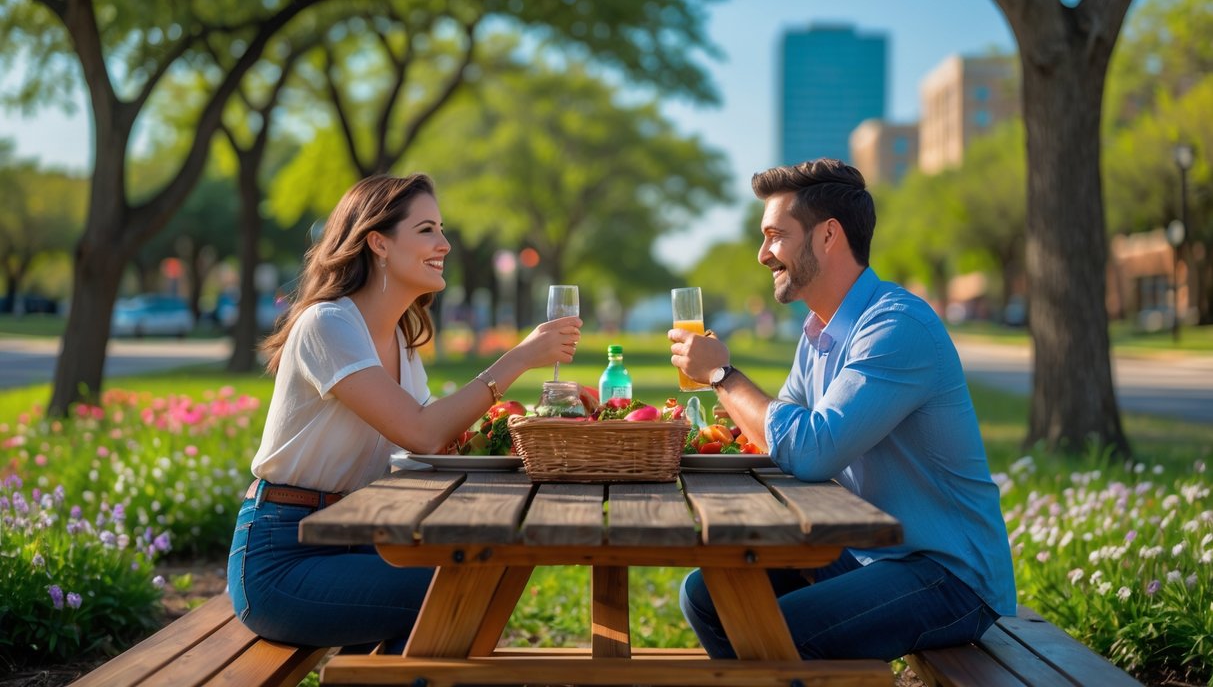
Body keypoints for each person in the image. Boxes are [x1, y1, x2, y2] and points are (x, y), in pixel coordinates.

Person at [668, 159, 1015, 661]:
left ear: (828, 235)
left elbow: (811, 450)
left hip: (949, 575)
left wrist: (724, 377)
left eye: (775, 236)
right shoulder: (818, 334)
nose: (763, 254)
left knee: (772, 632)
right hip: (868, 556)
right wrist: (732, 416)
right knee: (707, 597)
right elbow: (776, 428)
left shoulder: (897, 326)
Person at [228, 173, 581, 649]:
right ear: (379, 243)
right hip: (284, 555)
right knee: (453, 590)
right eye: (427, 230)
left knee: (468, 585)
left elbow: (445, 439)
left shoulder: (401, 341)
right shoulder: (326, 324)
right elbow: (422, 433)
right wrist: (518, 359)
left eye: (441, 228)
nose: (446, 243)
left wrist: (537, 422)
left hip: (355, 541)